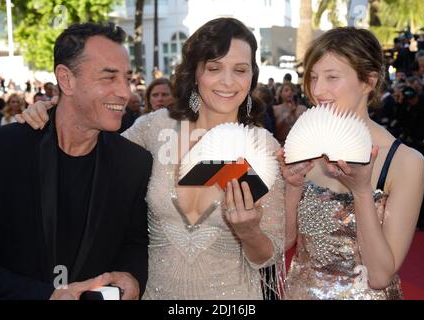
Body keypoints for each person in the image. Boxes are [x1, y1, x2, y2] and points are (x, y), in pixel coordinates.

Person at [18, 17, 286, 300]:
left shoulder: (264, 147)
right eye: (214, 68)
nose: (228, 81)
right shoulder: (153, 128)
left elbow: (268, 257)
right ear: (195, 72)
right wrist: (53, 110)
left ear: (251, 76)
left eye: (240, 70)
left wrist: (249, 231)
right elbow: (90, 158)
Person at [0, 22, 152, 299]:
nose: (125, 92)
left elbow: (134, 243)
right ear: (66, 79)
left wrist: (132, 276)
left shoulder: (134, 163)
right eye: (109, 78)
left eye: (127, 78)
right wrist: (45, 296)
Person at [280, 27, 424, 300]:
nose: (317, 89)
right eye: (313, 77)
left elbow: (381, 275)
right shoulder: (307, 146)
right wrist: (291, 187)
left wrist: (361, 192)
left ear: (368, 81)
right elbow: (286, 242)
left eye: (332, 77)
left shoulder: (404, 161)